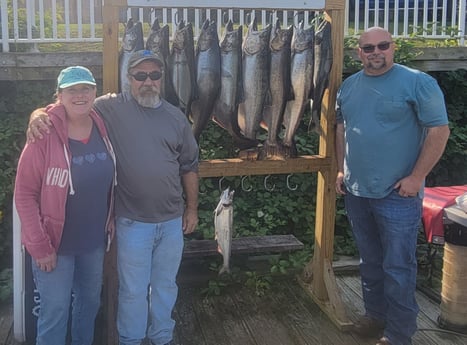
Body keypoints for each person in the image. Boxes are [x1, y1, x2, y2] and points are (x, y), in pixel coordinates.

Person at [28, 50, 199, 345]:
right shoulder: (108, 107)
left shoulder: (176, 117)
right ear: (128, 79)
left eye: (154, 75)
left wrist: (192, 209)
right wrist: (38, 114)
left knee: (165, 286)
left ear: (162, 79)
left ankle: (162, 337)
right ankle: (131, 340)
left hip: (172, 221)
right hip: (132, 222)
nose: (148, 81)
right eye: (140, 75)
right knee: (132, 290)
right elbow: (70, 103)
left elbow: (189, 166)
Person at [335, 27, 450, 345]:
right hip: (357, 192)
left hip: (397, 194)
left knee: (398, 265)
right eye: (368, 48)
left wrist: (415, 178)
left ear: (393, 47)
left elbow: (439, 131)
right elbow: (342, 129)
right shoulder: (348, 86)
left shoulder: (418, 82)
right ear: (358, 52)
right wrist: (341, 171)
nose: (375, 52)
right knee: (369, 261)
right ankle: (375, 317)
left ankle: (399, 334)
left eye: (382, 46)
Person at [15, 66, 116, 345]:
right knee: (54, 313)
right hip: (54, 247)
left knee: (88, 308)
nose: (80, 95)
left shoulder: (100, 122)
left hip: (93, 244)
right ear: (59, 95)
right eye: (72, 90)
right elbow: (24, 195)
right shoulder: (43, 133)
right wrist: (39, 247)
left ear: (95, 92)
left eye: (86, 88)